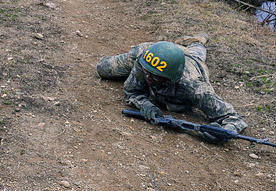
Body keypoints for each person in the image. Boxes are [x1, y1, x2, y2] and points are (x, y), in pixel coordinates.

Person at [96, 34, 248, 144]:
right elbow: (132, 91)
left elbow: (234, 119)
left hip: (191, 62)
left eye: (155, 77)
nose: (148, 78)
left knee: (196, 53)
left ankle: (197, 41)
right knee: (103, 68)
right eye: (147, 73)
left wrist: (225, 132)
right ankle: (176, 46)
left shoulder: (194, 86)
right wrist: (145, 104)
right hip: (153, 50)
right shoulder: (145, 62)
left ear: (171, 78)